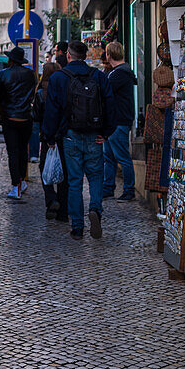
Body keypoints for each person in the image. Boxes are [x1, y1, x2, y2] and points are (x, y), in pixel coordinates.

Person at [42, 40, 116, 240]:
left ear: (68, 56)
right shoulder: (99, 77)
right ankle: (95, 210)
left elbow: (52, 110)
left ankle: (77, 226)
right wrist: (107, 132)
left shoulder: (58, 78)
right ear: (85, 56)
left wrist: (50, 137)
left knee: (74, 181)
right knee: (95, 177)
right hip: (95, 135)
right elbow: (110, 105)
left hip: (69, 135)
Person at [0, 46, 37, 200]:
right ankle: (22, 181)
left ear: (10, 60)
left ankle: (15, 186)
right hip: (26, 118)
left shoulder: (1, 75)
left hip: (9, 118)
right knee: (23, 150)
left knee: (13, 152)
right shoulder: (31, 75)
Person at [103, 40, 137, 200]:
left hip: (118, 121)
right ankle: (108, 187)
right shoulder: (120, 71)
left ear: (109, 55)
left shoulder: (120, 73)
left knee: (122, 157)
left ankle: (129, 190)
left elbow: (104, 89)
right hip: (114, 121)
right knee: (109, 156)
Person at [36, 60, 69, 222]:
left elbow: (37, 116)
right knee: (63, 171)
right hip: (63, 134)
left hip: (47, 135)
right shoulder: (64, 89)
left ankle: (51, 199)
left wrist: (49, 137)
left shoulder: (41, 92)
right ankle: (63, 211)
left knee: (45, 168)